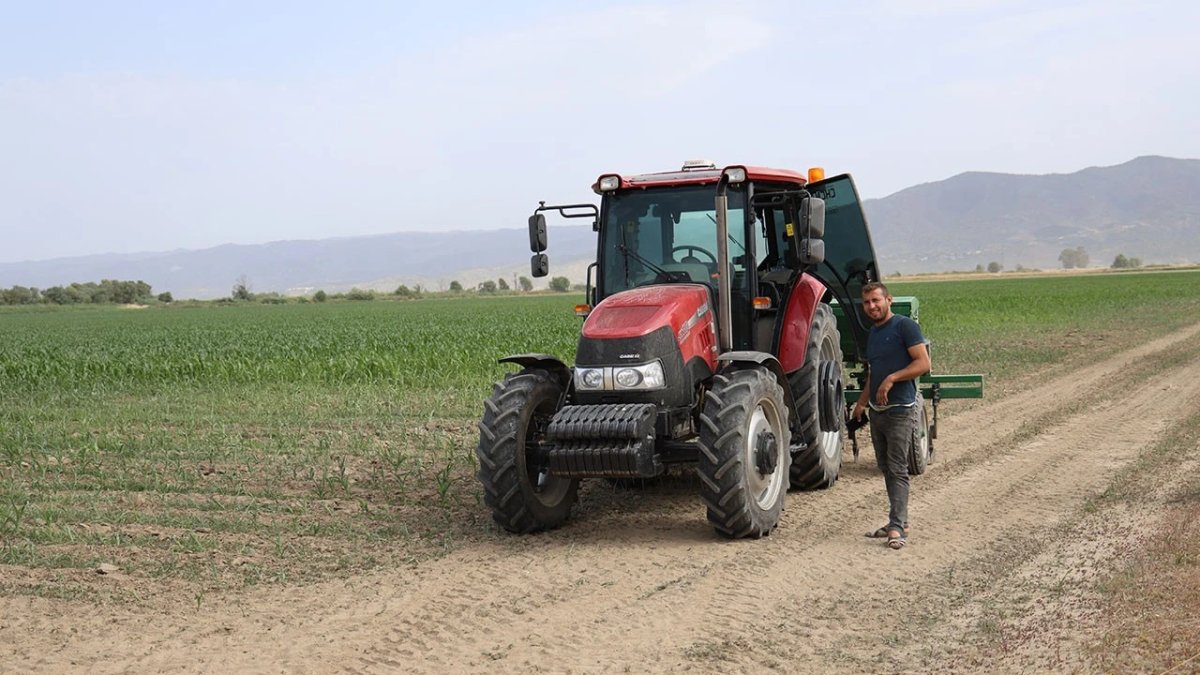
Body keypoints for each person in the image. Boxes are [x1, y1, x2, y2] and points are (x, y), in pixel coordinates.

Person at [851, 282, 931, 550]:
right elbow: (874, 372)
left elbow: (923, 363)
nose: (872, 307)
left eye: (876, 300)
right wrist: (861, 404)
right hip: (877, 412)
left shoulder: (904, 327)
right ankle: (898, 521)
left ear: (888, 300)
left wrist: (892, 380)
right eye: (867, 303)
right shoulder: (874, 333)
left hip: (900, 410)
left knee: (897, 469)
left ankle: (897, 527)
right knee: (886, 468)